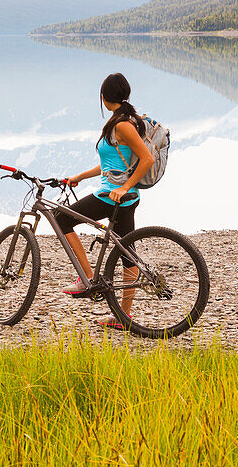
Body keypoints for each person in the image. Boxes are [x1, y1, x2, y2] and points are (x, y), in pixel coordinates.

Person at [56, 72, 154, 330]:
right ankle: (123, 316)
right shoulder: (125, 119)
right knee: (127, 252)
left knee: (61, 218)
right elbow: (109, 164)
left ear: (104, 97)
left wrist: (123, 188)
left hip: (113, 197)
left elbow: (147, 159)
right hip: (126, 197)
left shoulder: (122, 125)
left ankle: (86, 277)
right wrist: (79, 176)